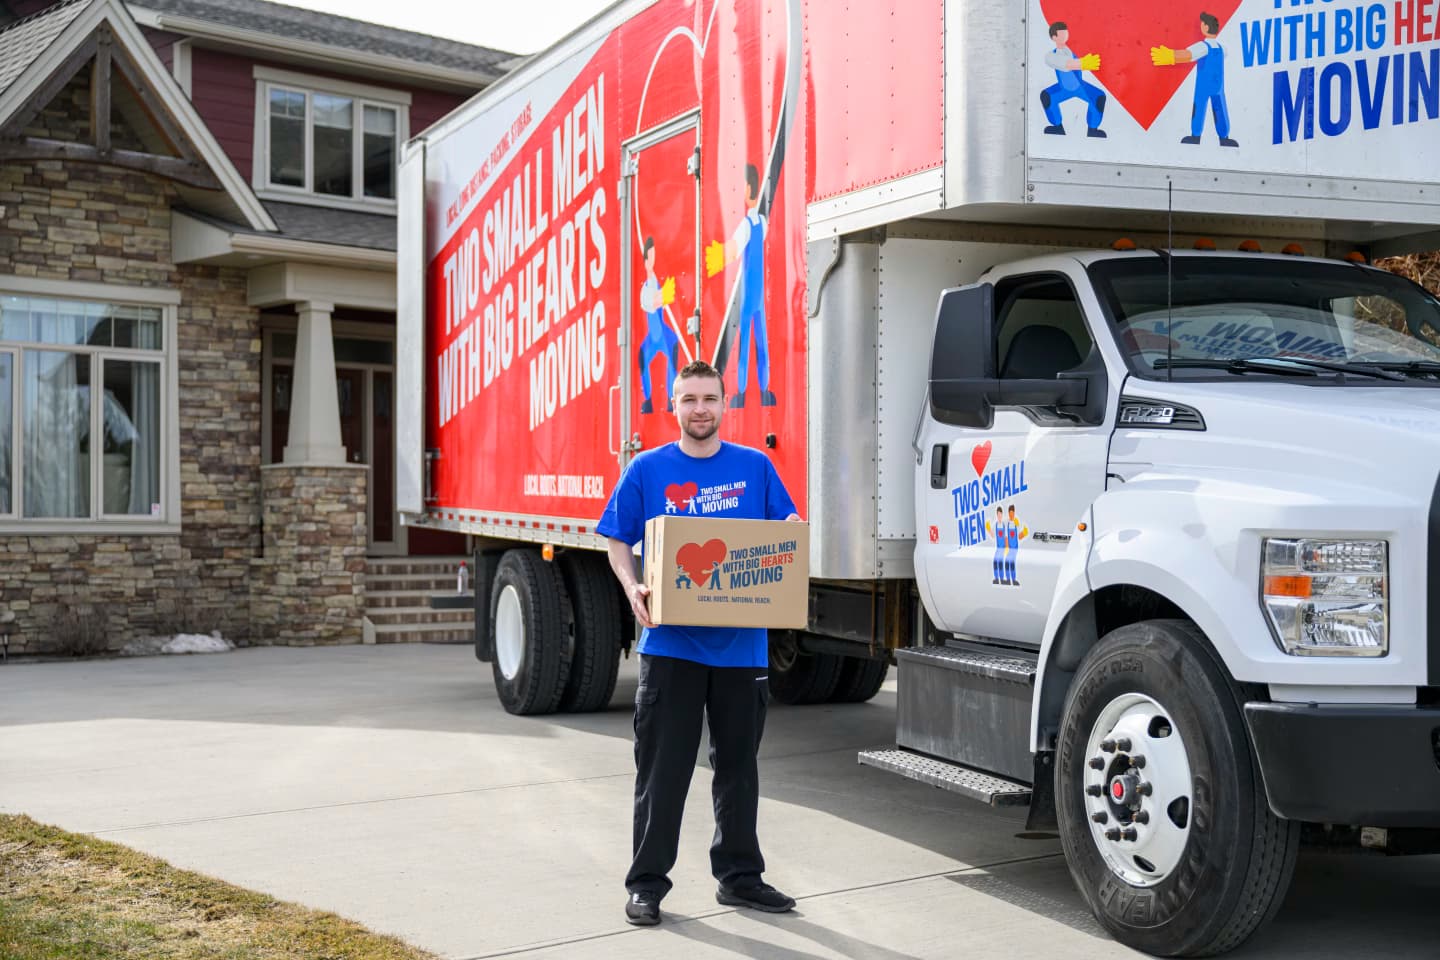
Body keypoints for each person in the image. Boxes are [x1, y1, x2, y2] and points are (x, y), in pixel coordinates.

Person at [598, 359, 800, 927]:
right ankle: (645, 885)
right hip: (670, 650)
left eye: (709, 398)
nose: (700, 409)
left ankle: (740, 879)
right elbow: (617, 537)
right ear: (674, 405)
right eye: (689, 399)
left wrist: (790, 541)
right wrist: (632, 581)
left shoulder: (755, 468)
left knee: (739, 769)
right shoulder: (647, 469)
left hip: (743, 651)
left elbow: (787, 530)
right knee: (663, 773)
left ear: (724, 403)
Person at [705, 165, 776, 409]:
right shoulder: (762, 222)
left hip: (748, 295)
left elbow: (734, 250)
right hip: (759, 295)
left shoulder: (746, 224)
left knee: (746, 343)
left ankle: (743, 392)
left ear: (748, 189)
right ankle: (764, 390)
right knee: (761, 342)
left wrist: (717, 256)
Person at [1151, 12, 1239, 147]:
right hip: (1218, 86)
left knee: (1199, 108)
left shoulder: (1203, 46)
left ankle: (1196, 136)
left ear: (1205, 27)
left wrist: (1171, 56)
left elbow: (1188, 55)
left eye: (1202, 24)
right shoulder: (1223, 48)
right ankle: (1224, 137)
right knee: (1220, 109)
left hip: (1203, 86)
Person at [1039, 21, 1106, 138]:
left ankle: (1093, 128)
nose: (1065, 36)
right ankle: (1057, 126)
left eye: (1066, 33)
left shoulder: (1076, 51)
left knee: (1099, 97)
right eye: (1062, 34)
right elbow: (1064, 64)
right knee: (1046, 96)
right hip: (1062, 89)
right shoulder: (1051, 55)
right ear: (1054, 37)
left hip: (1081, 87)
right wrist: (1081, 63)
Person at [637, 236, 680, 414]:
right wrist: (663, 296)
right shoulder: (646, 288)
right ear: (646, 260)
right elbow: (651, 302)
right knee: (642, 358)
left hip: (663, 332)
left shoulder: (657, 281)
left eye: (654, 255)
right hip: (653, 336)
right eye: (650, 256)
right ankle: (648, 401)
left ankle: (672, 400)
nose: (653, 260)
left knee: (674, 349)